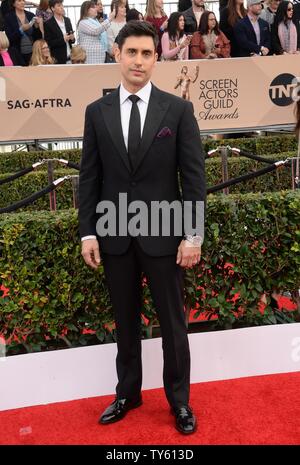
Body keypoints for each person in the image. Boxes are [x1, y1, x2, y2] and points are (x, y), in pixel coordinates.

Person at [79, 20, 206, 435]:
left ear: (156, 58)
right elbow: (90, 178)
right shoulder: (96, 113)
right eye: (131, 52)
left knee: (173, 325)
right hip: (114, 236)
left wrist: (192, 235)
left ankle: (180, 401)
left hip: (165, 236)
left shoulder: (178, 110)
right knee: (126, 320)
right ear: (116, 54)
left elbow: (194, 178)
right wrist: (87, 232)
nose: (138, 61)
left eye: (147, 53)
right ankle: (128, 393)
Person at [4, 0, 43, 65]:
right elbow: (9, 38)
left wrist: (37, 27)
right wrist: (21, 30)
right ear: (13, 4)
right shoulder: (8, 17)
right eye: (19, 1)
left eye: (23, 1)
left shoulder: (31, 15)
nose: (22, 3)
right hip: (17, 53)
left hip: (32, 53)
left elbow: (38, 37)